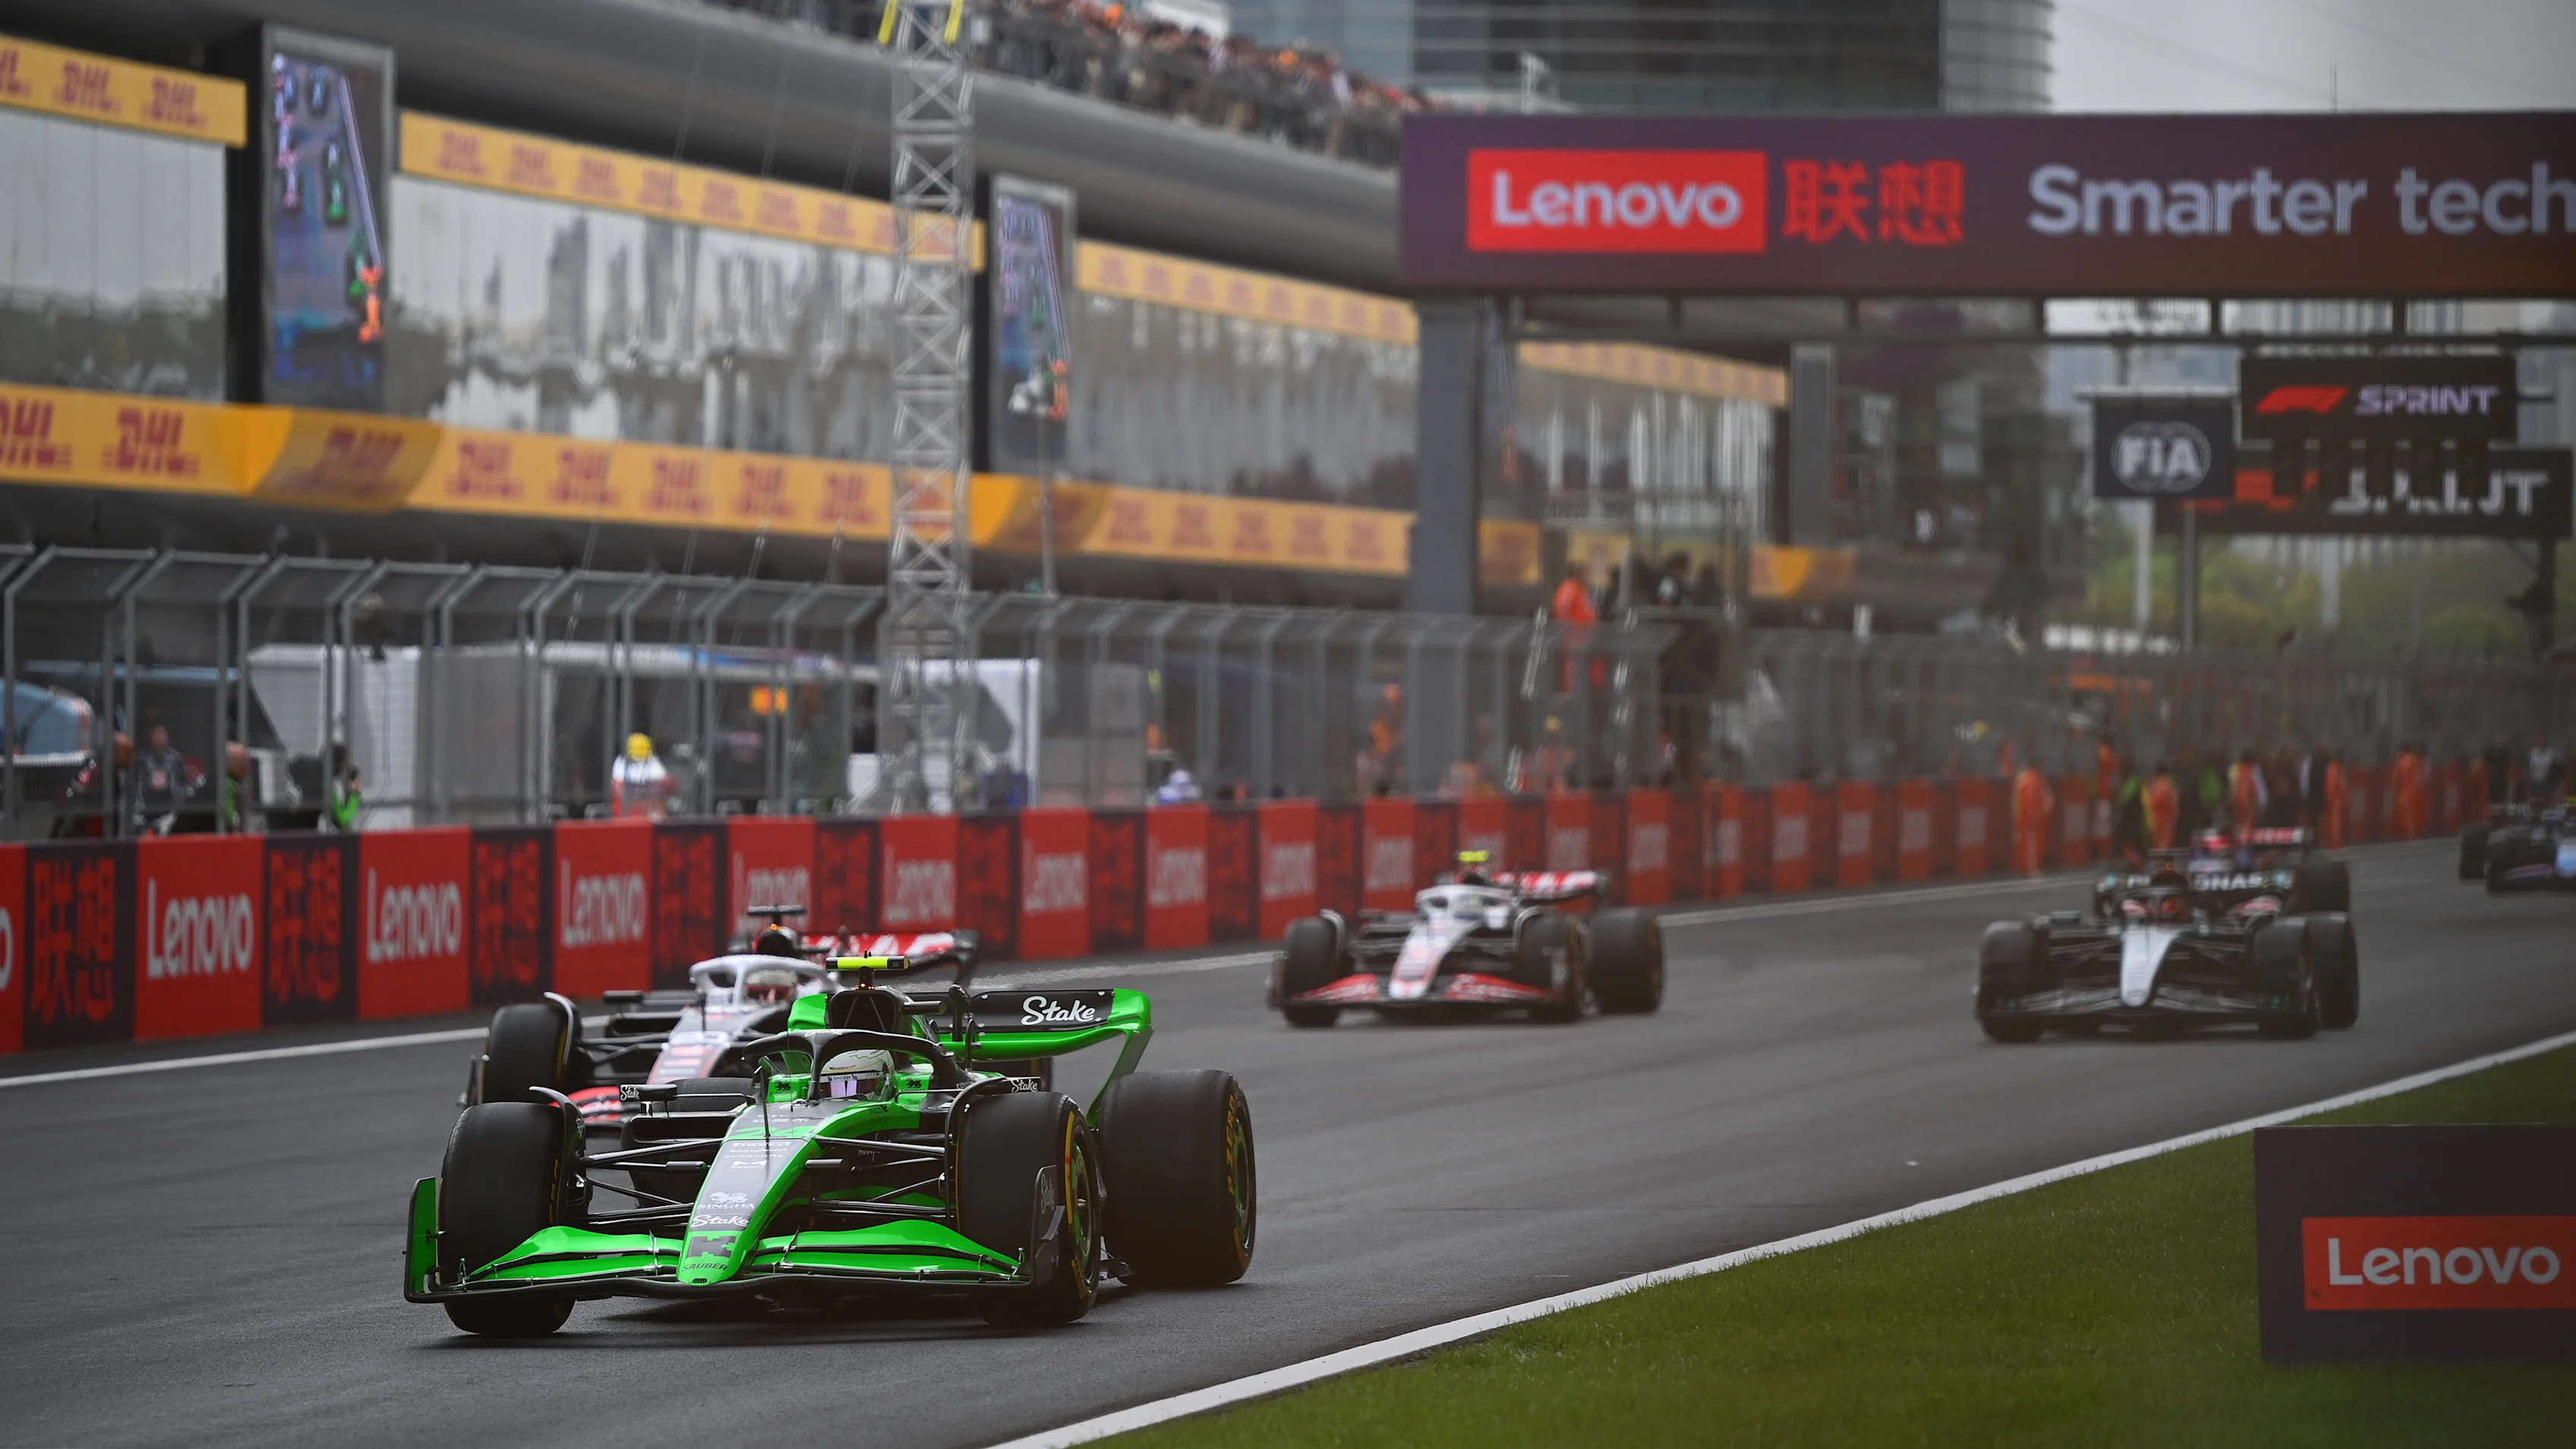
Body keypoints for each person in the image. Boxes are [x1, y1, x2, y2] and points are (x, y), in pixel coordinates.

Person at [131, 725, 191, 836]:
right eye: (156, 735)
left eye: (162, 735)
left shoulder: (175, 758)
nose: (159, 738)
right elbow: (135, 781)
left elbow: (182, 781)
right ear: (151, 737)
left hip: (167, 808)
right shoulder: (143, 758)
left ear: (167, 738)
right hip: (146, 808)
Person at [611, 732, 671, 819]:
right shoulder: (622, 762)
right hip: (628, 807)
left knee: (657, 808)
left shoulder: (653, 761)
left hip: (649, 807)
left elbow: (666, 783)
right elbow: (618, 788)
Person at [2143, 758, 2180, 851]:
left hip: (2157, 823)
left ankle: (2163, 865)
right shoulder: (2170, 786)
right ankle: (2167, 866)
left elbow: (2150, 803)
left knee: (2159, 851)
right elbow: (2175, 808)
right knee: (2166, 851)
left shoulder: (2158, 786)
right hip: (2166, 824)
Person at [326, 743, 364, 832]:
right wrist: (355, 795)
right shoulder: (328, 790)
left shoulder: (328, 786)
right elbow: (343, 820)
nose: (343, 767)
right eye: (342, 762)